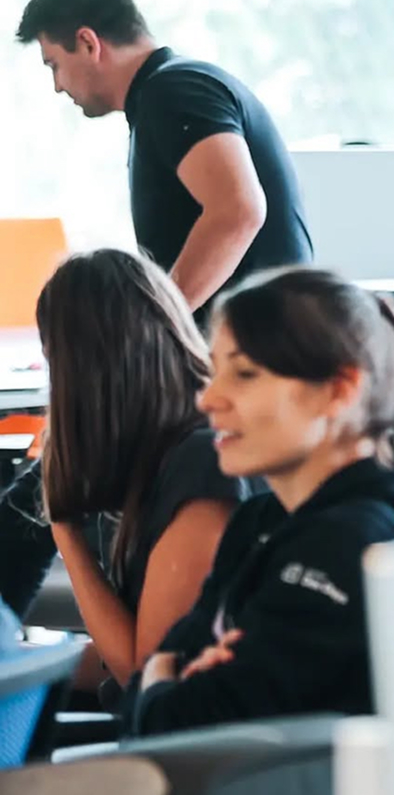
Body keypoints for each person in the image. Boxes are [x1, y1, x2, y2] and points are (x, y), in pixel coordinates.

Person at [123, 268, 394, 735]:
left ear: (338, 390)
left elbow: (173, 723)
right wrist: (166, 676)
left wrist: (161, 675)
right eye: (216, 370)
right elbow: (154, 698)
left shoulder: (349, 544)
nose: (210, 399)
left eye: (244, 374)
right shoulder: (261, 519)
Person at [0, 250, 249, 701]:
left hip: (186, 744)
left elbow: (144, 674)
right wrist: (21, 664)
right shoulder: (135, 444)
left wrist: (65, 531)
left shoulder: (205, 461)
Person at [16, 0, 313, 321]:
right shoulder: (167, 94)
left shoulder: (173, 92)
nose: (58, 86)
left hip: (262, 355)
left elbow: (238, 210)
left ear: (87, 42)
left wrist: (157, 325)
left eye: (54, 66)